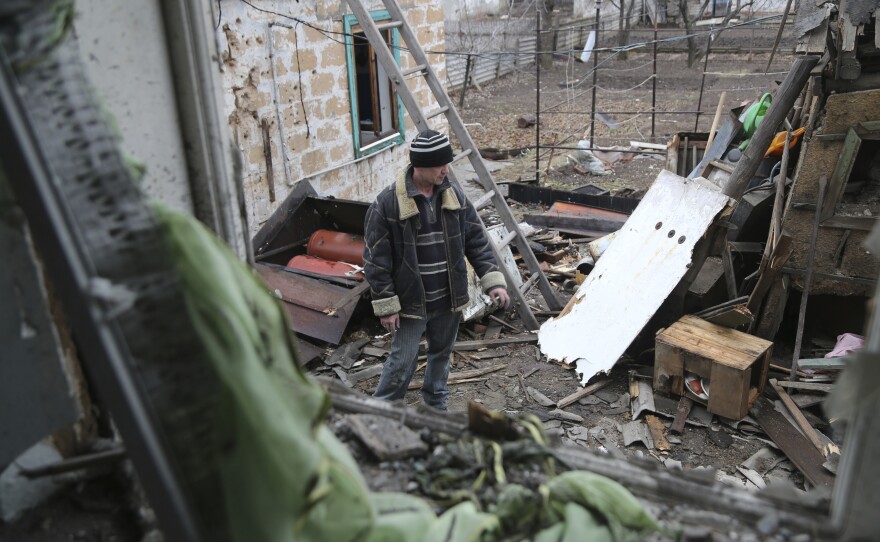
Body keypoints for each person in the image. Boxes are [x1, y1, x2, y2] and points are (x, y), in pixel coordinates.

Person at [363, 129, 510, 411]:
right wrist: (386, 304)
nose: (446, 170)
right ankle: (383, 411)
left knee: (441, 354)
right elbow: (375, 259)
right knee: (402, 360)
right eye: (439, 164)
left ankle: (435, 407)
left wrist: (493, 281)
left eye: (447, 162)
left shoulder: (453, 197)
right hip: (410, 303)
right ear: (420, 165)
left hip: (448, 299)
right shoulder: (388, 204)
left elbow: (477, 241)